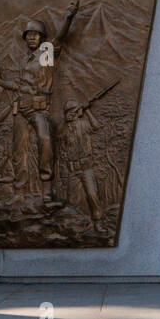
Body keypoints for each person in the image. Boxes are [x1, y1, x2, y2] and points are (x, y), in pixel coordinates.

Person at [0, 0, 80, 205]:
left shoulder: (46, 53)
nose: (31, 37)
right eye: (28, 35)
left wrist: (69, 17)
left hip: (39, 109)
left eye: (35, 34)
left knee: (45, 143)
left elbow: (60, 38)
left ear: (41, 38)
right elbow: (20, 85)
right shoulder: (24, 60)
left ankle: (47, 192)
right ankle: (19, 193)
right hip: (21, 109)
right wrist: (1, 82)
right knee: (18, 152)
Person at [61, 97, 105, 231]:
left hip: (86, 168)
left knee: (92, 195)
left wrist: (87, 111)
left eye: (73, 111)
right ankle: (74, 225)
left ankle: (97, 222)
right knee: (72, 201)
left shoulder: (84, 123)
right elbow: (59, 141)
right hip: (72, 170)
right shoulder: (64, 128)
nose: (71, 114)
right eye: (68, 112)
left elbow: (97, 126)